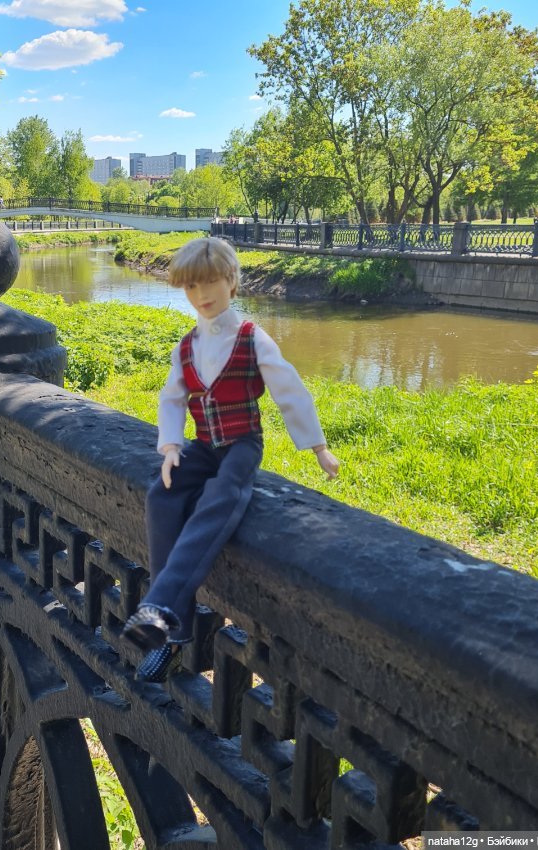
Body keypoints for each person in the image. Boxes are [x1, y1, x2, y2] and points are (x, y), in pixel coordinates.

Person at [122, 237, 340, 683]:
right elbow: (171, 398)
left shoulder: (251, 338)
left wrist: (318, 446)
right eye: (191, 286)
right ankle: (173, 632)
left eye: (211, 282)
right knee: (163, 497)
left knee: (220, 499)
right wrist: (170, 447)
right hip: (203, 445)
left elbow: (288, 389)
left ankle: (159, 615)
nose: (202, 294)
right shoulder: (187, 346)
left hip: (242, 445)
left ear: (232, 281)